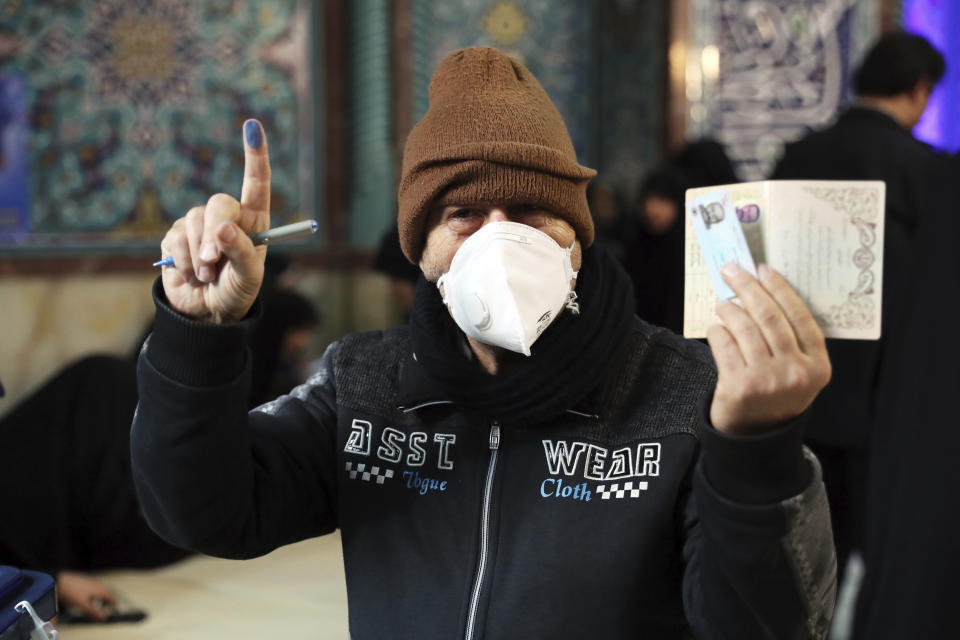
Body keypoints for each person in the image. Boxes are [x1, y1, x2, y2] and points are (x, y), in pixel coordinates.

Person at [132, 47, 835, 639]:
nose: (501, 239)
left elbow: (768, 624)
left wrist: (758, 451)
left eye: (531, 211)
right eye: (465, 214)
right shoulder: (370, 384)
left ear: (574, 238)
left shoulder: (683, 391)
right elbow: (205, 510)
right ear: (424, 250)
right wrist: (198, 333)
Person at [771, 30, 946, 583]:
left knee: (806, 552)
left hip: (797, 391)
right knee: (886, 559)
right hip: (890, 398)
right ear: (921, 91)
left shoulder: (798, 155)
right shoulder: (930, 171)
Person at [625, 139, 739, 333]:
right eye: (649, 199)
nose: (653, 209)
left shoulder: (696, 248)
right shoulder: (639, 245)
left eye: (663, 200)